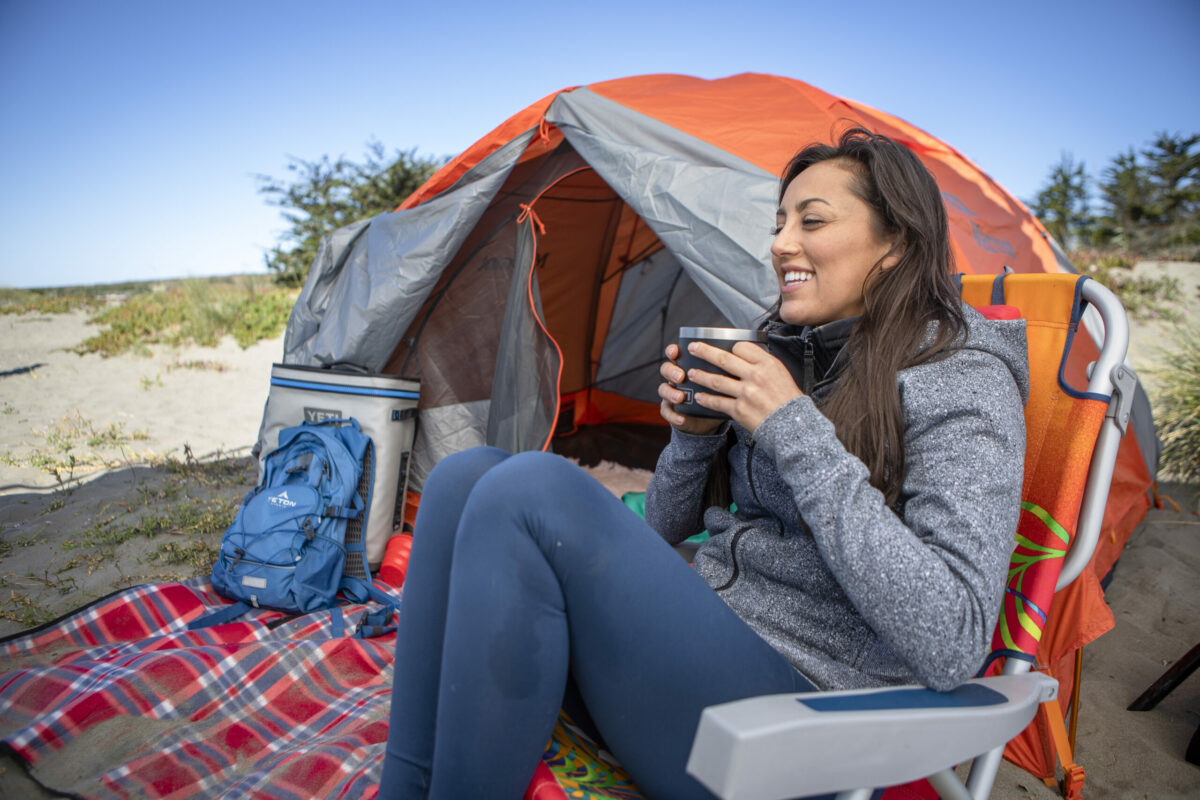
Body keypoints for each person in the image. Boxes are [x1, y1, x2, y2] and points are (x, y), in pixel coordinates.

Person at [379, 127, 1028, 800]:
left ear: (895, 242)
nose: (780, 246)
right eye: (779, 224)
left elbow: (952, 639)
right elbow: (659, 533)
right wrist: (693, 436)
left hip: (807, 719)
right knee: (464, 477)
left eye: (812, 222)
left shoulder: (961, 376)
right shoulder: (793, 348)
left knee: (531, 487)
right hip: (702, 661)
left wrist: (791, 428)